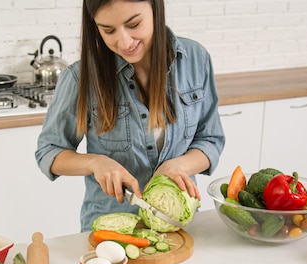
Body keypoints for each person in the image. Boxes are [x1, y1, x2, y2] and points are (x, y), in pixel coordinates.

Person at [35, 0, 225, 232]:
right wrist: (96, 163)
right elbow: (48, 152)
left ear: (156, 9)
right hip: (112, 228)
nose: (124, 42)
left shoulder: (195, 59)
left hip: (180, 226)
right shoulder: (80, 77)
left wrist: (180, 165)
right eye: (108, 30)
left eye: (134, 24)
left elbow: (211, 140)